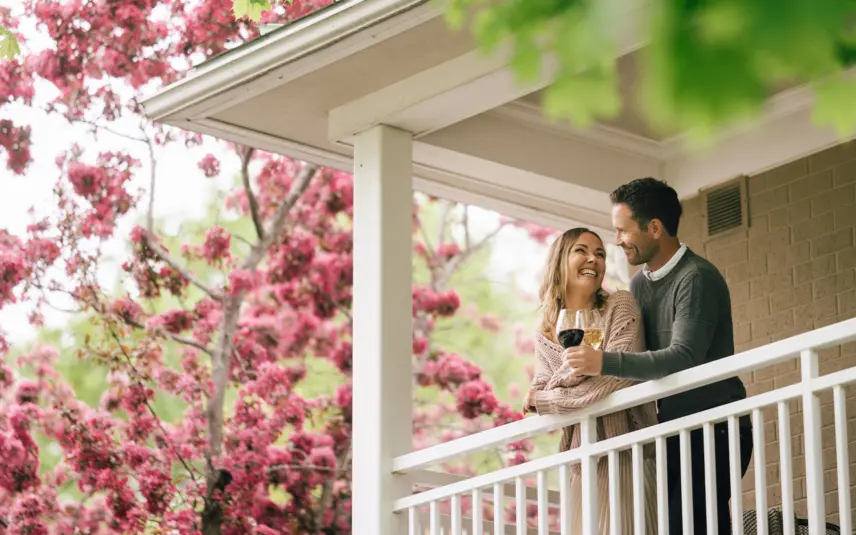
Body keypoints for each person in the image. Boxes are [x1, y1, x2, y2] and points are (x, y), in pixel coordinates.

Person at [561, 177, 754, 535]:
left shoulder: (696, 277)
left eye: (623, 231)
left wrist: (602, 361)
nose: (617, 241)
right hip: (670, 431)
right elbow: (616, 343)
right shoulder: (637, 286)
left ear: (654, 228)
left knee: (691, 524)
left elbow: (684, 356)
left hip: (714, 428)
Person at [522, 227, 658, 535]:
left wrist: (546, 399)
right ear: (560, 260)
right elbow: (560, 385)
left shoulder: (620, 305)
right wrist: (578, 377)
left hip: (628, 451)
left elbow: (620, 376)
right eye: (581, 251)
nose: (593, 259)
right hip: (582, 461)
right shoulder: (545, 335)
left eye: (599, 254)